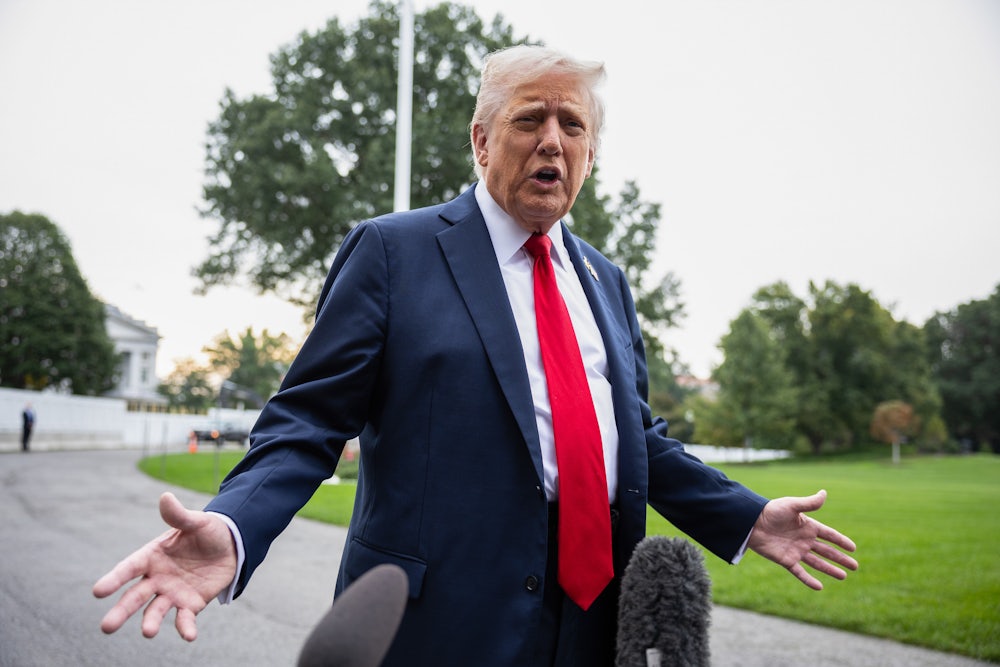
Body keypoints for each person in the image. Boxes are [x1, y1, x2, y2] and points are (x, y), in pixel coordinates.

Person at [93, 45, 857, 666]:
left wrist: (747, 516)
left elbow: (633, 440)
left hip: (591, 629)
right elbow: (306, 422)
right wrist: (233, 525)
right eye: (530, 118)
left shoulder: (607, 282)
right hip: (438, 627)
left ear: (590, 153)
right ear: (482, 139)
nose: (553, 140)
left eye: (573, 125)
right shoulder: (391, 253)